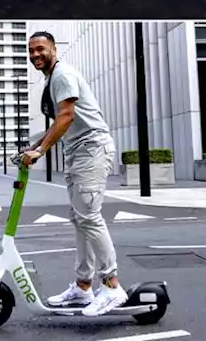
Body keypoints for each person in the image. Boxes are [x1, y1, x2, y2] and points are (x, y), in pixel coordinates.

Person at [19, 31, 126, 316]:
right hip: (79, 151)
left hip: (91, 148)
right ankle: (82, 288)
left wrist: (40, 152)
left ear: (54, 49)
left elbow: (67, 116)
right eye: (31, 51)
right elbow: (60, 122)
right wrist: (35, 145)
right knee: (80, 219)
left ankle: (113, 286)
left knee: (89, 217)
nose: (35, 55)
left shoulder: (63, 75)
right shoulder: (54, 78)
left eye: (40, 49)